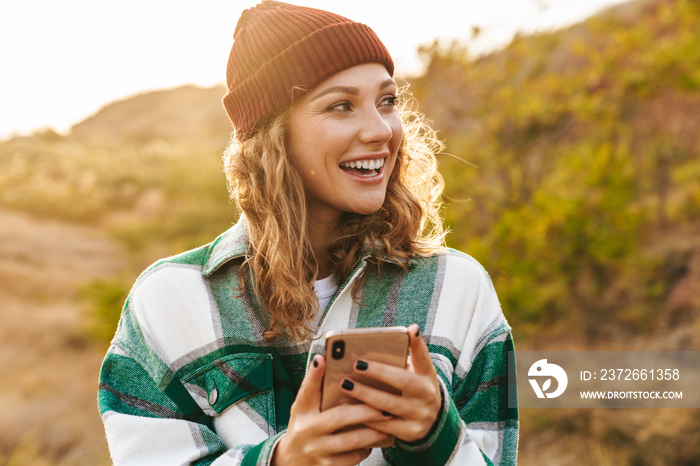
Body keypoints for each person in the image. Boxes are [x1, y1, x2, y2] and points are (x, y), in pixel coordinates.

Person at [97, 2, 518, 465]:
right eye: (341, 106)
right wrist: (283, 460)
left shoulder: (457, 287)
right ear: (274, 137)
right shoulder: (168, 302)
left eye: (387, 101)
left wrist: (436, 437)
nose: (381, 130)